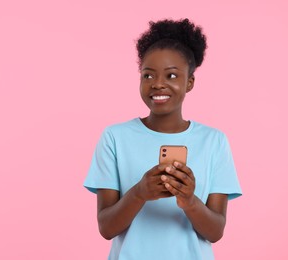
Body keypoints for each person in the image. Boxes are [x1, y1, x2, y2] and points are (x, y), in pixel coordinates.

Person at [83, 18, 242, 260]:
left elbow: (215, 231)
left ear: (189, 83)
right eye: (148, 76)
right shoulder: (114, 138)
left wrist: (189, 201)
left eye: (171, 76)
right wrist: (139, 192)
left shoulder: (214, 142)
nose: (158, 84)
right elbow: (106, 228)